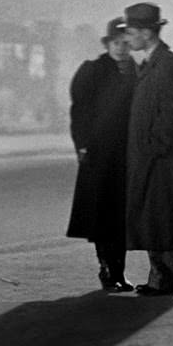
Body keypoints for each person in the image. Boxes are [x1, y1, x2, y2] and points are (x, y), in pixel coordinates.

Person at [121, 2, 173, 295]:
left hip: (161, 161)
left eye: (131, 33)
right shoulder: (153, 63)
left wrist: (152, 147)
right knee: (153, 218)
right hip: (151, 158)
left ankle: (165, 279)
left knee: (161, 220)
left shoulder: (167, 64)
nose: (128, 39)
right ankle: (159, 277)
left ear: (146, 32)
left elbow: (171, 114)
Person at [66, 18, 135, 291]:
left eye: (126, 44)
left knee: (122, 216)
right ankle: (107, 269)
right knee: (102, 214)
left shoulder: (136, 73)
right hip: (98, 154)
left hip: (126, 155)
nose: (121, 48)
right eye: (116, 43)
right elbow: (79, 112)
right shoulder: (92, 71)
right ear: (108, 44)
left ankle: (119, 271)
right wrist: (82, 145)